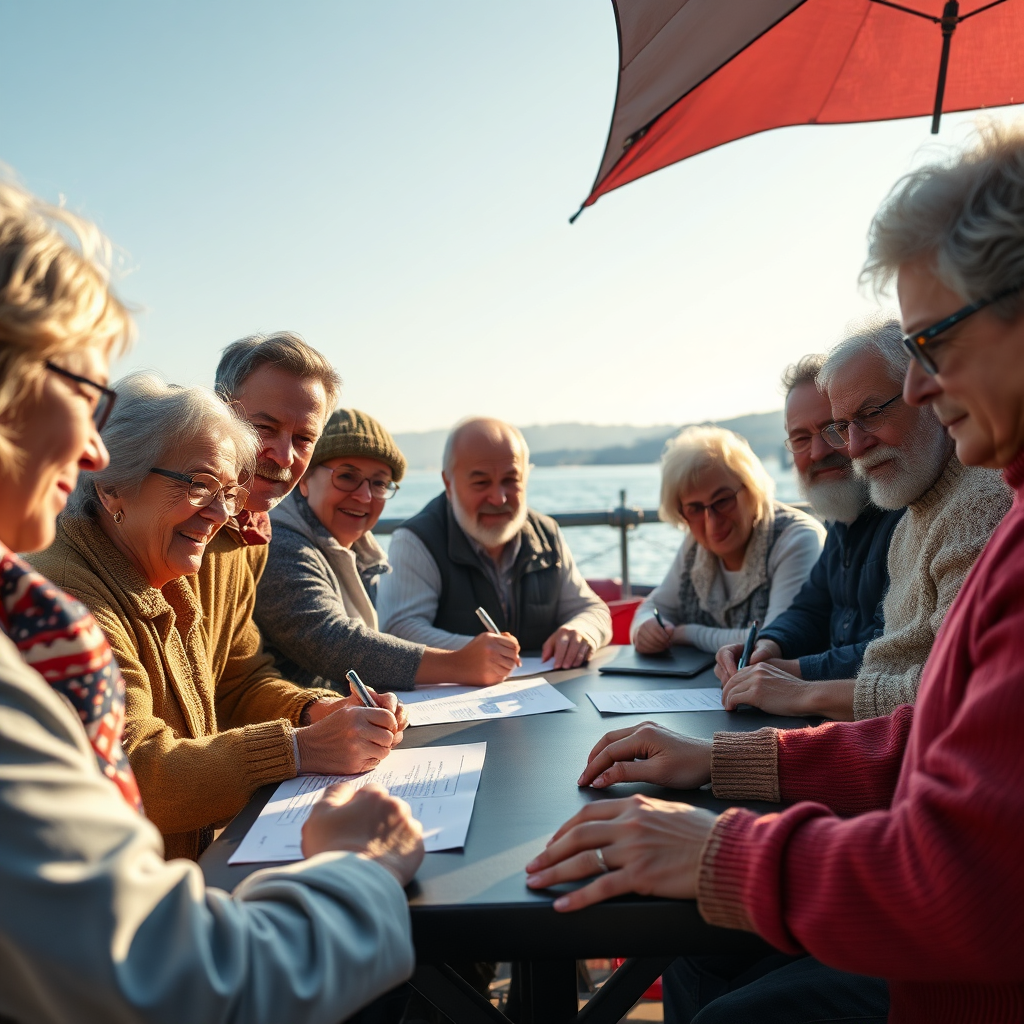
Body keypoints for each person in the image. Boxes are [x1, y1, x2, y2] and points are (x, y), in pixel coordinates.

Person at [525, 122, 1024, 1023]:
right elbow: (922, 740)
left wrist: (724, 850)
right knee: (695, 965)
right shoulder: (988, 511)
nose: (918, 389)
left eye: (933, 345)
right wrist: (725, 759)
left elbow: (966, 880)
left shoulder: (992, 517)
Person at [0, 178, 422, 1024]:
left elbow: (236, 676)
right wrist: (354, 865)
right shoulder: (57, 608)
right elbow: (167, 976)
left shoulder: (189, 557)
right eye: (83, 393)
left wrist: (311, 711)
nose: (88, 448)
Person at [33, 374, 408, 861]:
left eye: (230, 492)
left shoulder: (169, 566)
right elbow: (135, 768)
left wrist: (317, 711)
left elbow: (236, 680)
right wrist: (300, 750)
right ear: (112, 489)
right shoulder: (66, 595)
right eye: (200, 485)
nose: (219, 513)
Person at [718, 317, 1011, 719]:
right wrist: (770, 645)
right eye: (803, 438)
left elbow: (951, 693)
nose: (850, 447)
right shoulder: (902, 516)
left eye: (870, 413)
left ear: (929, 394)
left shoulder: (967, 506)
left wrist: (800, 687)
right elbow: (827, 616)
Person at [256, 408, 521, 690]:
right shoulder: (278, 541)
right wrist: (458, 665)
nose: (365, 496)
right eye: (346, 476)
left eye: (379, 483)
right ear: (305, 478)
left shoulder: (360, 554)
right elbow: (329, 640)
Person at [711, 344, 903, 719]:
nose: (816, 451)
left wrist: (790, 675)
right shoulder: (842, 519)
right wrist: (768, 647)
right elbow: (811, 609)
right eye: (800, 438)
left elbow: (895, 650)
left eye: (832, 429)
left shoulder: (902, 514)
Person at [378, 417, 612, 668]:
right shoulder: (417, 540)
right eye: (481, 483)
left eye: (511, 480)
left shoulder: (547, 533)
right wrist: (472, 653)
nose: (499, 498)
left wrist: (581, 631)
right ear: (449, 483)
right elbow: (398, 631)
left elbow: (593, 610)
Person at [630, 426, 825, 655]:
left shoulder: (797, 538)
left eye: (722, 501)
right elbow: (653, 609)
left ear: (752, 490)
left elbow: (771, 639)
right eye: (694, 508)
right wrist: (644, 629)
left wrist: (685, 634)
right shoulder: (695, 544)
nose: (711, 521)